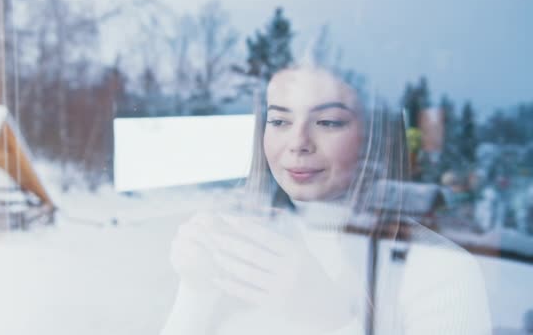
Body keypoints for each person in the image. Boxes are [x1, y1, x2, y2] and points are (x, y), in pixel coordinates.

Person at [161, 66, 491, 334]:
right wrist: (195, 294)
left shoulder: (443, 271)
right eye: (279, 121)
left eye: (328, 122)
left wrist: (327, 319)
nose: (298, 142)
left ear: (372, 137)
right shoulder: (250, 242)